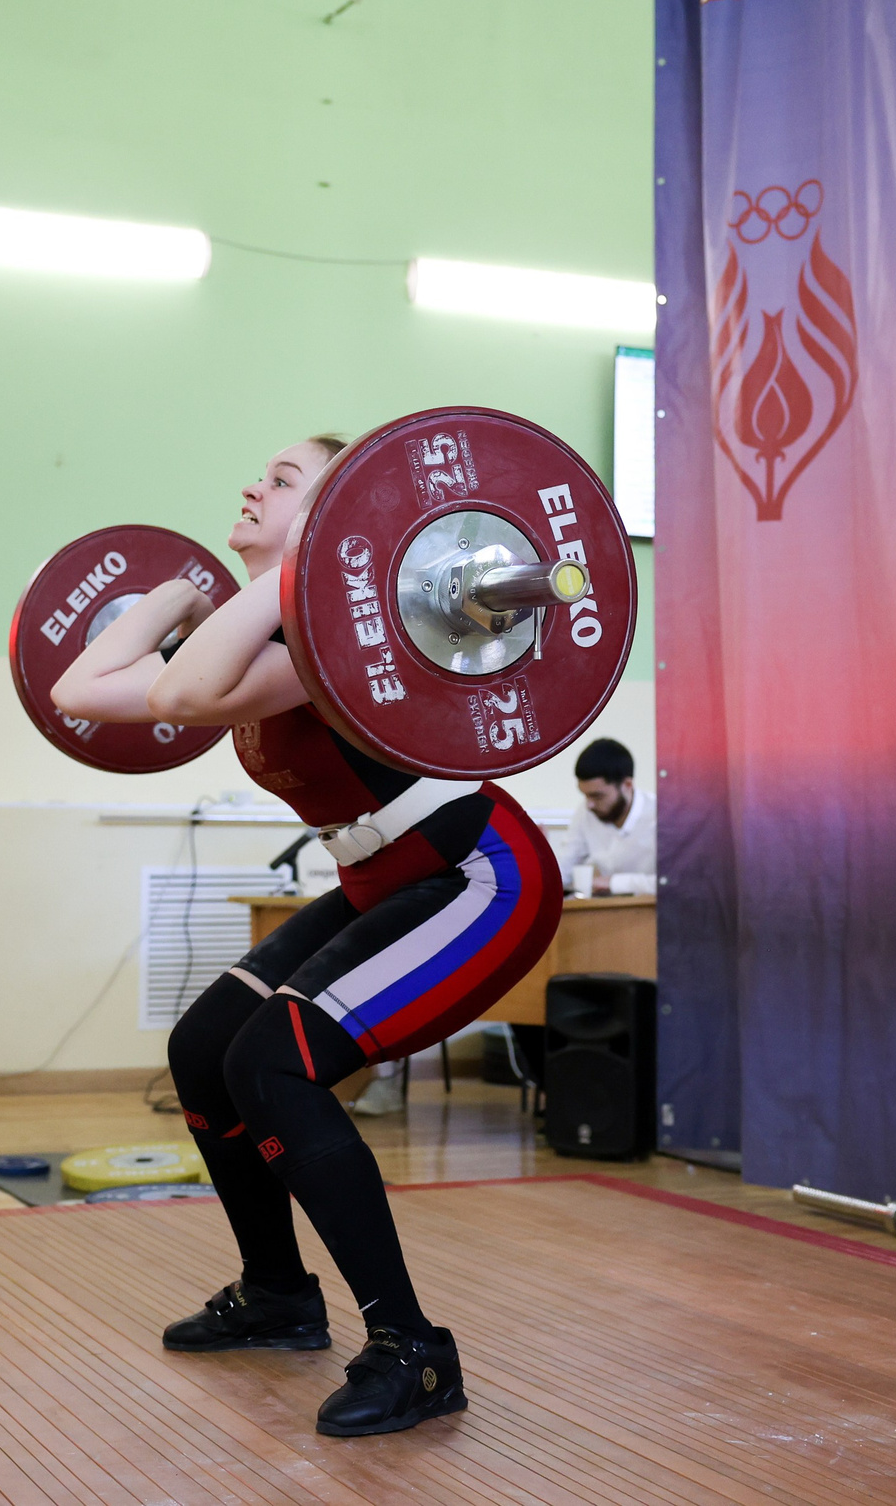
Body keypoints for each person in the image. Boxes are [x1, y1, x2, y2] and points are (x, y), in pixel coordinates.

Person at [51, 436, 562, 1439]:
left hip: (480, 875)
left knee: (271, 1063)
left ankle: (413, 1349)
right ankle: (278, 1294)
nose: (252, 483)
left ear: (335, 515)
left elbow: (183, 697)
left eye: (284, 480)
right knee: (206, 1048)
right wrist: (181, 590)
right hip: (379, 877)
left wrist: (295, 569)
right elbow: (79, 691)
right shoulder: (258, 627)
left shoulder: (333, 631)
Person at [558, 736, 656, 893]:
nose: (589, 804)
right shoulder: (586, 812)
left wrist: (613, 883)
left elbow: (673, 882)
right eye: (585, 795)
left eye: (597, 796)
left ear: (627, 785)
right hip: (601, 906)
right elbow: (563, 870)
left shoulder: (661, 816)